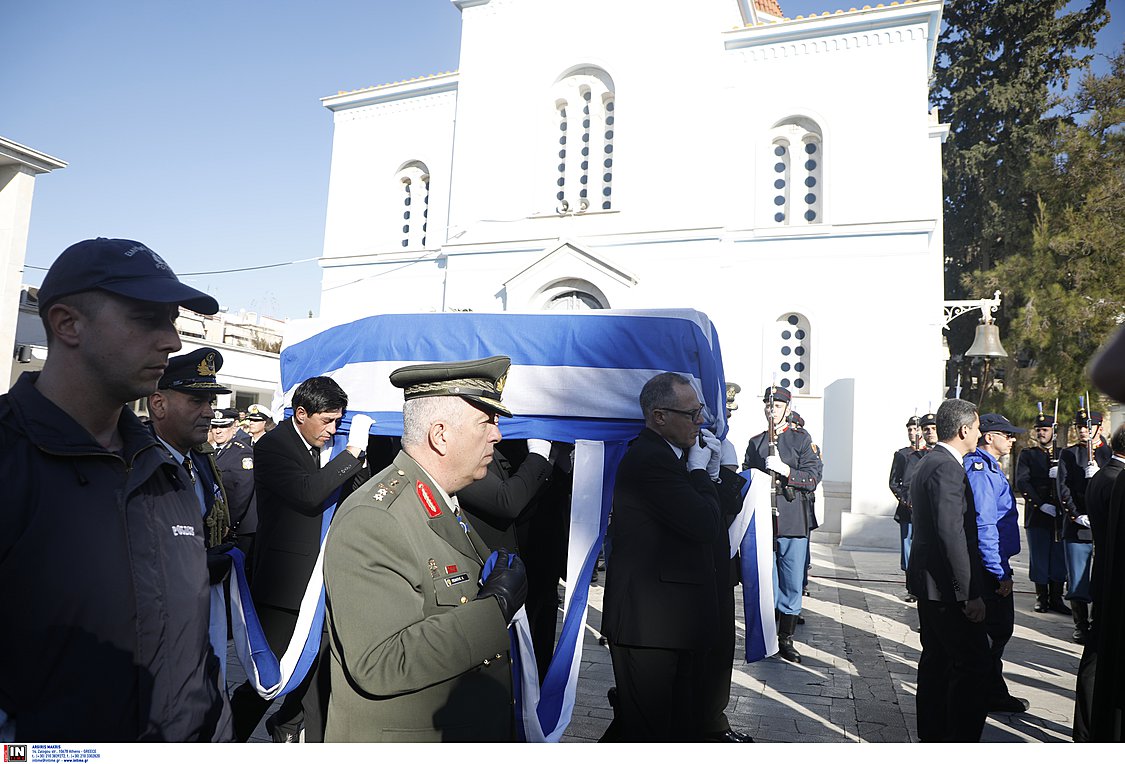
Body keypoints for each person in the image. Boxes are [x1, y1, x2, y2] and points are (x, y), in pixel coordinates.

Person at [0, 237, 230, 741]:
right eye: (149, 319)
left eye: (173, 321)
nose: (172, 341)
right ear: (67, 324)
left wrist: (212, 724)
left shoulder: (162, 467)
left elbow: (189, 643)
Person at [322, 356, 525, 742]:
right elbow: (380, 662)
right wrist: (494, 609)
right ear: (440, 435)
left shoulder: (437, 497)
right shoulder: (377, 517)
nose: (497, 435)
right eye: (487, 422)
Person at [228, 376, 372, 742]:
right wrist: (350, 452)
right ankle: (224, 738)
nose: (332, 430)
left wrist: (359, 458)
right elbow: (308, 494)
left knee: (315, 675)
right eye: (327, 421)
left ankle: (290, 730)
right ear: (302, 413)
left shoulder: (324, 448)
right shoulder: (274, 446)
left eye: (338, 422)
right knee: (269, 677)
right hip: (286, 587)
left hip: (323, 581)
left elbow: (353, 491)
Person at [600, 372, 728, 741]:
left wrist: (712, 475)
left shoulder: (672, 458)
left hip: (672, 624)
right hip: (649, 627)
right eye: (691, 414)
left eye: (699, 410)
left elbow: (715, 521)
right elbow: (704, 523)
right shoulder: (649, 460)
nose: (700, 421)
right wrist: (701, 473)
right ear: (659, 416)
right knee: (647, 732)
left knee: (664, 728)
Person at [147, 348, 239, 681]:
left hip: (203, 609)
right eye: (195, 402)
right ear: (158, 404)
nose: (209, 413)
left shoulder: (199, 457)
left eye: (211, 402)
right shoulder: (137, 463)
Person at [906, 397, 988, 742]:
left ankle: (934, 734)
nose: (981, 434)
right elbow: (950, 533)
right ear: (964, 429)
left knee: (937, 662)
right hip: (945, 588)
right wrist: (969, 593)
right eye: (978, 427)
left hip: (932, 583)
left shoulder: (931, 460)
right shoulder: (945, 467)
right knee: (971, 665)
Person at [742, 386, 822, 663]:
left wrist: (787, 471)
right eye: (768, 405)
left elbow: (813, 477)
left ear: (787, 408)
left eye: (776, 406)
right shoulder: (757, 442)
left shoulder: (801, 440)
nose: (771, 410)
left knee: (790, 580)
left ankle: (786, 638)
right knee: (768, 580)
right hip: (764, 519)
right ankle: (769, 635)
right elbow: (747, 477)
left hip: (792, 520)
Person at [964, 413, 1028, 714]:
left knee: (995, 634)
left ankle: (991, 690)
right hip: (988, 566)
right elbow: (985, 525)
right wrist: (998, 572)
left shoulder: (989, 468)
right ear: (990, 436)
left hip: (994, 561)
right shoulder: (980, 471)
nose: (1012, 439)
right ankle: (980, 693)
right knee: (994, 631)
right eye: (1008, 434)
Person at [1074, 424, 1125, 741]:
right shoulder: (1114, 479)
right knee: (1099, 658)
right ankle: (1090, 729)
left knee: (1096, 654)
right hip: (1112, 579)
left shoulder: (1105, 475)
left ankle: (1088, 729)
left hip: (1105, 576)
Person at [1056, 408, 1112, 643]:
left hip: (1103, 526)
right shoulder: (1069, 454)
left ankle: (1098, 621)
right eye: (1079, 427)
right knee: (1077, 578)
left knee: (1103, 578)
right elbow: (1063, 487)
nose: (1082, 431)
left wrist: (1100, 475)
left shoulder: (1110, 454)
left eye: (1087, 426)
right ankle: (1080, 625)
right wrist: (1075, 515)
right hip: (1078, 525)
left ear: (1099, 428)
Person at [1015, 408, 1069, 614]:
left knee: (1058, 557)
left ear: (1053, 432)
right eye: (1038, 430)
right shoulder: (1028, 454)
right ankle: (1042, 598)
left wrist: (1061, 473)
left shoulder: (1064, 454)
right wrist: (1040, 504)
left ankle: (1056, 598)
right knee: (1039, 558)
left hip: (1059, 516)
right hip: (1038, 515)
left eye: (1045, 430)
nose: (1041, 434)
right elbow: (1023, 482)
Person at [209, 407, 258, 564]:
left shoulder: (242, 452)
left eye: (223, 426)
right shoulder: (216, 451)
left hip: (239, 527)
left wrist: (228, 523)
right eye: (215, 426)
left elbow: (242, 493)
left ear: (234, 426)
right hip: (224, 524)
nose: (218, 431)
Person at [889, 415, 926, 600]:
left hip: (926, 511)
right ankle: (911, 587)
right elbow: (894, 482)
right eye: (910, 429)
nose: (913, 432)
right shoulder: (902, 454)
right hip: (907, 509)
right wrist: (906, 501)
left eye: (916, 429)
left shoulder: (931, 454)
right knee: (907, 548)